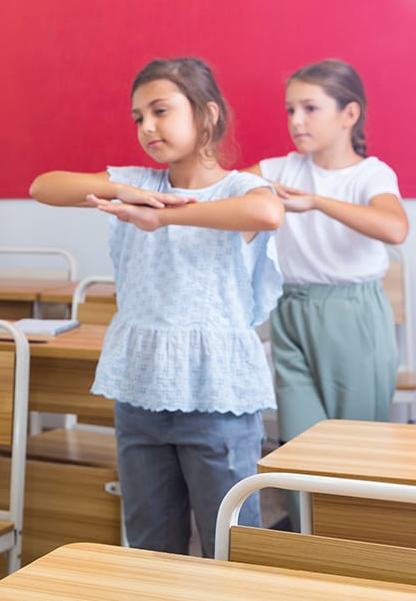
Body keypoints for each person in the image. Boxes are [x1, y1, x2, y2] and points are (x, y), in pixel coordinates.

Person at [28, 58, 285, 557]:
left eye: (160, 111)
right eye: (138, 117)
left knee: (230, 546)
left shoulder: (239, 190)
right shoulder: (135, 184)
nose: (147, 127)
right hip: (141, 393)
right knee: (149, 546)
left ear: (206, 115)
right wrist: (122, 190)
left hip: (218, 399)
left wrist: (165, 219)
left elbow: (267, 212)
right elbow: (44, 186)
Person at [243, 60, 408, 519]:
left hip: (352, 316)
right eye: (290, 109)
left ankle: (357, 548)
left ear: (349, 114)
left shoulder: (370, 175)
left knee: (356, 449)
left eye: (310, 108)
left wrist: (315, 201)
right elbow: (224, 195)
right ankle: (307, 547)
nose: (296, 121)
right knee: (298, 447)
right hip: (292, 310)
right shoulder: (277, 169)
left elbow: (395, 229)